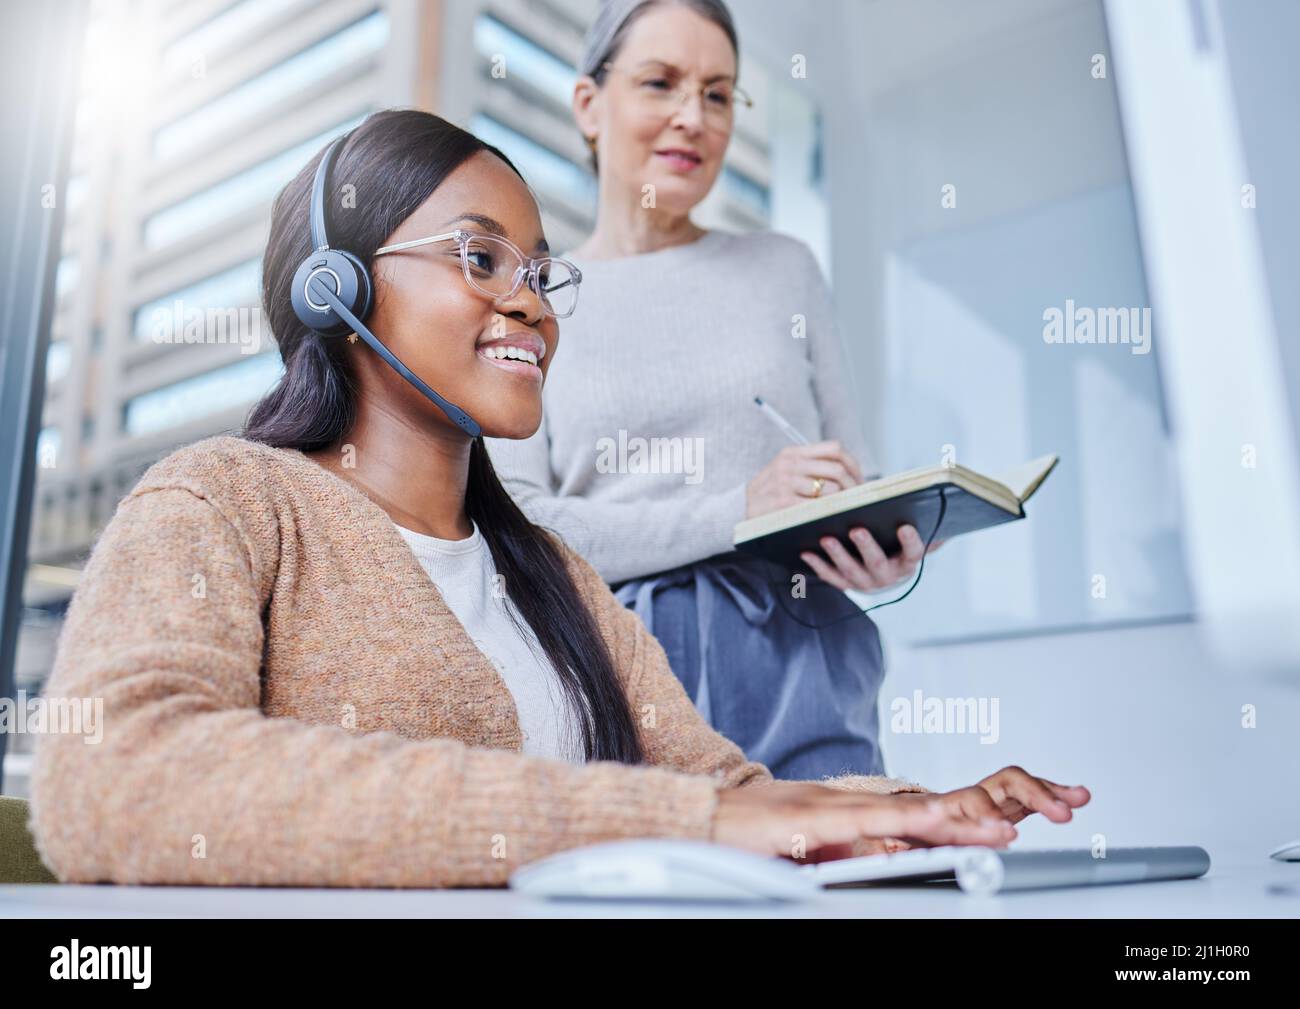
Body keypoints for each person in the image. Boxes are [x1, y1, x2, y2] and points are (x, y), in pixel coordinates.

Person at [29, 110, 1087, 887]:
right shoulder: (220, 501)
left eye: (539, 270)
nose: (530, 302)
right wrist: (664, 824)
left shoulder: (551, 570)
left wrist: (918, 809)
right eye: (480, 257)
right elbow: (112, 777)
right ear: (337, 287)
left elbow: (722, 788)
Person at [486, 0, 931, 779]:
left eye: (719, 93)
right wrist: (735, 510)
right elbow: (522, 531)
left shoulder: (784, 269)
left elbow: (844, 468)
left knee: (846, 881)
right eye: (661, 83)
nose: (694, 117)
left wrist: (875, 542)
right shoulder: (532, 304)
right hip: (620, 672)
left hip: (804, 652)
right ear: (589, 105)